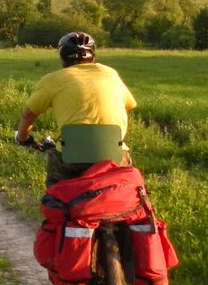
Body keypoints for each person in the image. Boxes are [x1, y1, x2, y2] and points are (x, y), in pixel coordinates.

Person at [15, 31, 136, 184]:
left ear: (62, 57)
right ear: (93, 55)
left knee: (56, 192)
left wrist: (23, 138)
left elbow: (28, 116)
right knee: (125, 190)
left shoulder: (52, 80)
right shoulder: (110, 73)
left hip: (71, 155)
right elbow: (129, 105)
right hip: (115, 154)